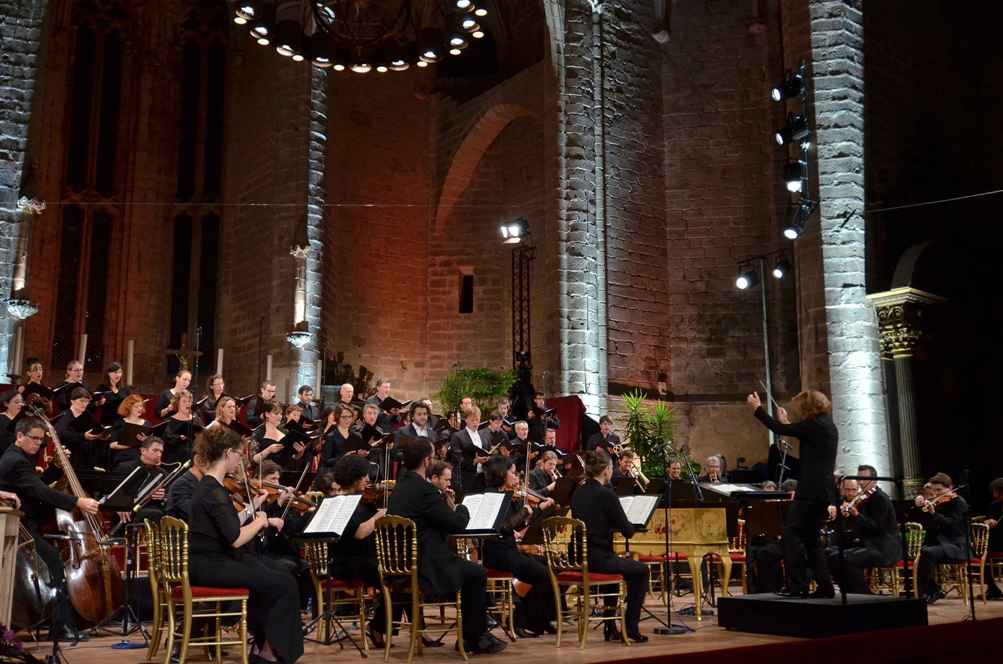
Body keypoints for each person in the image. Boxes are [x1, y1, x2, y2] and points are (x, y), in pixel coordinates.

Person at [188, 426, 303, 663]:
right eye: (240, 455)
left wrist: (253, 508)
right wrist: (261, 520)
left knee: (277, 571)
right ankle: (270, 653)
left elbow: (228, 523)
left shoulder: (209, 487)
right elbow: (236, 538)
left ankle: (264, 646)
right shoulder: (214, 491)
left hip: (206, 562)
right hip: (211, 565)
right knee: (283, 583)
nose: (240, 460)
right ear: (228, 453)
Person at [387, 436, 505, 655]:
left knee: (470, 571)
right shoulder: (424, 490)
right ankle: (473, 639)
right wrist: (462, 507)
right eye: (432, 457)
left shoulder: (400, 487)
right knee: (476, 573)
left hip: (401, 565)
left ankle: (475, 634)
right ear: (426, 461)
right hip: (427, 566)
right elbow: (456, 524)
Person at [0, 416, 100, 641]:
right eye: (34, 439)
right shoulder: (15, 460)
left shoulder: (20, 457)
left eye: (41, 440)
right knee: (53, 560)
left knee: (53, 559)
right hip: (17, 527)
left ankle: (60, 623)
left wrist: (55, 468)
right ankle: (60, 626)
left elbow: (36, 485)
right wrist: (77, 502)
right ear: (19, 436)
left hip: (25, 524)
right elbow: (40, 491)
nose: (38, 444)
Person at [747, 389, 837, 599]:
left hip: (811, 490)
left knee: (791, 535)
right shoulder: (825, 425)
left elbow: (776, 428)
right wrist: (787, 423)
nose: (799, 413)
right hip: (822, 490)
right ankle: (825, 587)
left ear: (808, 408)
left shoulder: (815, 425)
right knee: (812, 540)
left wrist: (757, 409)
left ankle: (798, 586)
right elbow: (793, 431)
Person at [571, 449, 648, 642]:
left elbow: (593, 520)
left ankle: (610, 627)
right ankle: (630, 628)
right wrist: (635, 525)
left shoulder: (578, 493)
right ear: (606, 470)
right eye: (611, 468)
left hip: (578, 556)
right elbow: (627, 531)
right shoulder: (606, 495)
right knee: (641, 571)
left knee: (614, 570)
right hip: (598, 559)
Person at [482, 456, 557, 637]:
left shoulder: (506, 495)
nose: (516, 477)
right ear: (501, 473)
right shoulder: (492, 496)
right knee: (542, 574)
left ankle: (541, 619)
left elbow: (518, 526)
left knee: (547, 564)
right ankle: (527, 621)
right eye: (513, 473)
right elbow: (503, 527)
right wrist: (525, 511)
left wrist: (538, 510)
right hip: (498, 554)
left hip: (509, 551)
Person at [328, 454, 396, 645]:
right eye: (363, 476)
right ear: (354, 477)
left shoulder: (363, 500)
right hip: (348, 561)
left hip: (365, 557)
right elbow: (358, 533)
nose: (368, 479)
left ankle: (382, 625)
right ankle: (379, 626)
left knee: (400, 572)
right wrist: (379, 516)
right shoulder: (344, 502)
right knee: (390, 576)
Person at [825, 464, 901, 594]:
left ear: (875, 480)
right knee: (829, 555)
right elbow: (860, 527)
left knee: (843, 558)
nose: (860, 482)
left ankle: (862, 594)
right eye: (859, 478)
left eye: (864, 479)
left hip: (883, 548)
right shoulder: (864, 498)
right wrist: (845, 516)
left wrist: (856, 515)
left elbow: (877, 528)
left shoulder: (880, 498)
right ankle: (849, 591)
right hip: (869, 545)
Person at [914, 472, 968, 604]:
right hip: (940, 544)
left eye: (939, 490)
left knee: (927, 552)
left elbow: (952, 525)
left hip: (956, 546)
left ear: (950, 488)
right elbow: (925, 523)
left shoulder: (959, 503)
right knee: (923, 551)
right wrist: (919, 507)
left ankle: (930, 591)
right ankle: (927, 591)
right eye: (934, 490)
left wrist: (934, 513)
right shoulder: (937, 503)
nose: (937, 494)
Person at [113, 436, 167, 523]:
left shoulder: (162, 473)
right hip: (126, 509)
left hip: (151, 510)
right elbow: (112, 493)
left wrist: (163, 497)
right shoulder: (124, 467)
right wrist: (119, 507)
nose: (159, 454)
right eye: (155, 450)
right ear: (143, 451)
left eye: (161, 451)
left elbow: (168, 497)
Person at [52, 387, 102, 470]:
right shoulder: (64, 415)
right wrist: (83, 436)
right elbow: (61, 433)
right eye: (81, 401)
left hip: (86, 457)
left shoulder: (87, 414)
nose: (84, 404)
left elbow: (95, 428)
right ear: (72, 401)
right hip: (71, 456)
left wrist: (101, 434)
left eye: (87, 401)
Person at [451, 406, 490, 496]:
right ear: (466, 420)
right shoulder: (458, 436)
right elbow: (457, 459)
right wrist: (474, 461)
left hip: (483, 478)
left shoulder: (484, 436)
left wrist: (488, 458)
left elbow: (487, 452)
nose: (475, 423)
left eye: (477, 420)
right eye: (472, 420)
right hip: (466, 479)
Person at [161, 389, 203, 466]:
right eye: (184, 401)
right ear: (177, 403)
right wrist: (179, 438)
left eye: (189, 401)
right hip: (175, 458)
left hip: (194, 457)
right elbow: (166, 438)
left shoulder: (196, 418)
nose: (187, 404)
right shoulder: (169, 420)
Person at [109, 394, 149, 466]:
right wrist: (135, 443)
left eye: (141, 406)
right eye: (136, 406)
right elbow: (112, 445)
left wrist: (146, 441)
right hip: (123, 459)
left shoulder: (146, 423)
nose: (140, 409)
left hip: (142, 459)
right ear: (129, 407)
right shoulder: (120, 423)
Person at [983, 478, 1003, 600]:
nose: (993, 493)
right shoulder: (994, 505)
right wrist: (988, 521)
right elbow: (987, 519)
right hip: (995, 540)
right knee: (981, 554)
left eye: (995, 490)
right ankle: (992, 587)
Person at [95, 361, 131, 426]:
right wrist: (99, 403)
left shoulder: (125, 389)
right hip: (107, 423)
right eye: (115, 372)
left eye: (120, 372)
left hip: (122, 423)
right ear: (108, 373)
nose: (118, 375)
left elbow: (130, 404)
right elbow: (93, 405)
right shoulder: (102, 388)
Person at [0, 389, 24, 455]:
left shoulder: (24, 419)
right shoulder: (1, 419)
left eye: (22, 402)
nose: (21, 404)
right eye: (16, 402)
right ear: (6, 403)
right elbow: (4, 444)